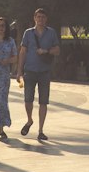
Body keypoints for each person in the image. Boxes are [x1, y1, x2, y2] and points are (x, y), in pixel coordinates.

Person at [16, 8, 61, 140]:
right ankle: (29, 120)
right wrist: (19, 71)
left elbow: (57, 50)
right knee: (28, 99)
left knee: (43, 101)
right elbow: (23, 51)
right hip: (29, 70)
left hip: (44, 71)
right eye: (38, 17)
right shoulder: (28, 33)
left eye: (43, 17)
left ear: (46, 19)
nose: (40, 19)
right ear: (34, 18)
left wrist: (46, 51)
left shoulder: (51, 33)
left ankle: (41, 130)